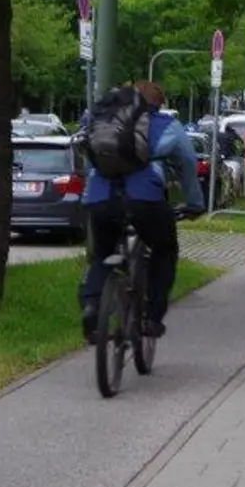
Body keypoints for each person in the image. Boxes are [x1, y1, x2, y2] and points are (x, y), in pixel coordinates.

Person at [79, 81, 206, 340]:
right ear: (160, 104)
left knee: (102, 253)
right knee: (164, 248)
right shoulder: (166, 125)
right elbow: (188, 163)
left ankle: (92, 305)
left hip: (100, 196)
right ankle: (152, 316)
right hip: (144, 198)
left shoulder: (101, 119)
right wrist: (195, 203)